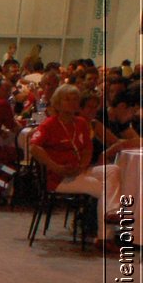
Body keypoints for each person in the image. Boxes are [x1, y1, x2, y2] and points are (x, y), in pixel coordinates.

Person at [28, 83, 136, 254]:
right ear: (58, 102)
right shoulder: (49, 124)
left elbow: (87, 148)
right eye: (67, 100)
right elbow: (34, 147)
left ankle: (111, 212)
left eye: (75, 100)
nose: (72, 103)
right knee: (103, 189)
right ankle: (104, 237)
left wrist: (83, 165)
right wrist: (55, 166)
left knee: (113, 170)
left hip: (79, 170)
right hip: (59, 177)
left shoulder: (81, 123)